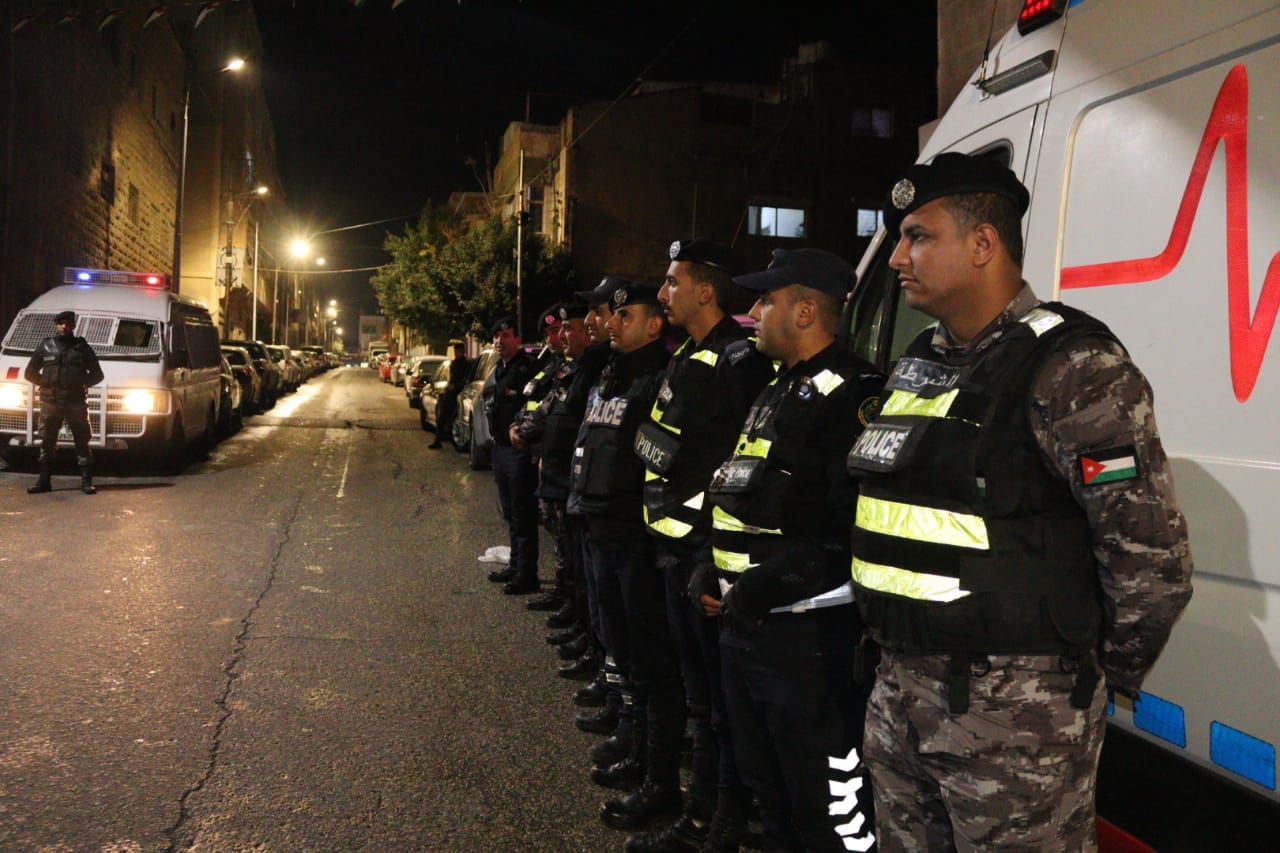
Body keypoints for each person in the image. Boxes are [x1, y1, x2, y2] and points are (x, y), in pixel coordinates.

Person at [847, 152, 1194, 850]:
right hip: (901, 697)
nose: (898, 258)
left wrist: (1073, 677)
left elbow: (1151, 562)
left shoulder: (1074, 368)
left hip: (1015, 721)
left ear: (983, 243)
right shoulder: (920, 364)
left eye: (918, 236)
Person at [702, 249, 884, 852]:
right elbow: (740, 489)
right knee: (771, 801)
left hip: (808, 644)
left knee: (828, 816)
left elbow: (849, 528)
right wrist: (710, 567)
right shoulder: (777, 388)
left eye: (767, 300)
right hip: (750, 629)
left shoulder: (854, 395)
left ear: (805, 311)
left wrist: (760, 588)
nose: (754, 313)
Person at [627, 239, 775, 853]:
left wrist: (712, 555)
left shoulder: (738, 361)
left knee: (720, 705)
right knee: (699, 697)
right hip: (675, 552)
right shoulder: (687, 354)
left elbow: (746, 468)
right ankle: (700, 812)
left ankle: (716, 825)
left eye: (672, 282)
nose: (663, 293)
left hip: (707, 559)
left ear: (705, 291)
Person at [568, 281, 683, 831]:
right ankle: (635, 746)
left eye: (625, 316)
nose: (612, 323)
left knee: (651, 662)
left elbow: (660, 459)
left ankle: (659, 776)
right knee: (624, 651)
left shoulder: (660, 376)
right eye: (611, 315)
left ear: (654, 325)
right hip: (601, 527)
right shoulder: (613, 371)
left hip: (636, 539)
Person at [484, 316, 542, 595]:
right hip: (500, 449)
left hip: (518, 450)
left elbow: (534, 407)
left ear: (517, 339)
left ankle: (527, 574)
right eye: (496, 336)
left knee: (523, 513)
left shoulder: (526, 369)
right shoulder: (499, 368)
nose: (500, 341)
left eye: (506, 335)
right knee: (510, 511)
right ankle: (516, 564)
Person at [24, 310, 105, 495]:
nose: (64, 327)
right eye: (61, 323)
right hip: (51, 402)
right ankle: (43, 481)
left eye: (68, 324)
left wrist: (80, 384)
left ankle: (86, 482)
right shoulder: (46, 346)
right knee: (47, 442)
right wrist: (46, 383)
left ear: (73, 325)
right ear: (56, 325)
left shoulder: (81, 347)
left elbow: (97, 374)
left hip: (75, 401)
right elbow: (30, 372)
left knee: (82, 441)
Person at [428, 341, 469, 449]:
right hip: (450, 394)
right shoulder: (453, 363)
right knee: (441, 418)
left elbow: (466, 380)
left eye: (458, 351)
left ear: (462, 352)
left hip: (459, 393)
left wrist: (456, 386)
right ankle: (438, 440)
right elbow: (451, 378)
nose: (456, 353)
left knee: (455, 418)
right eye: (455, 351)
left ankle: (453, 440)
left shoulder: (466, 365)